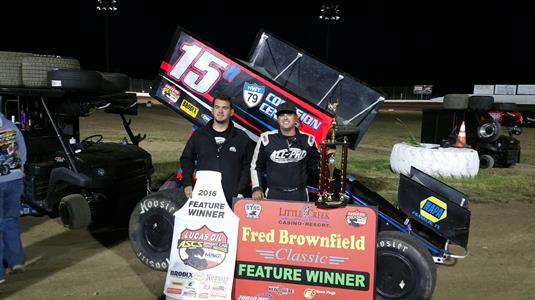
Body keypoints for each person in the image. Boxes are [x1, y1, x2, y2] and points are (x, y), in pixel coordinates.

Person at [180, 95, 254, 206]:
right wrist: (187, 183)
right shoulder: (200, 135)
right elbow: (186, 158)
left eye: (225, 108)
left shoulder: (241, 137)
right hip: (203, 197)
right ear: (212, 110)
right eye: (217, 107)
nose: (220, 111)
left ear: (232, 112)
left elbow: (248, 165)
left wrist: (240, 190)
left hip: (230, 198)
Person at [250, 102, 322, 201]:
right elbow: (255, 166)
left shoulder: (308, 139)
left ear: (296, 117)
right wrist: (257, 188)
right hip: (274, 193)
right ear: (277, 118)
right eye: (281, 115)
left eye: (289, 114)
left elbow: (315, 167)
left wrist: (326, 161)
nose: (285, 118)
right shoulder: (266, 138)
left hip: (300, 194)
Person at [0, 112, 27, 283]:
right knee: (10, 220)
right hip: (15, 180)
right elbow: (22, 152)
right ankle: (16, 261)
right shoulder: (11, 126)